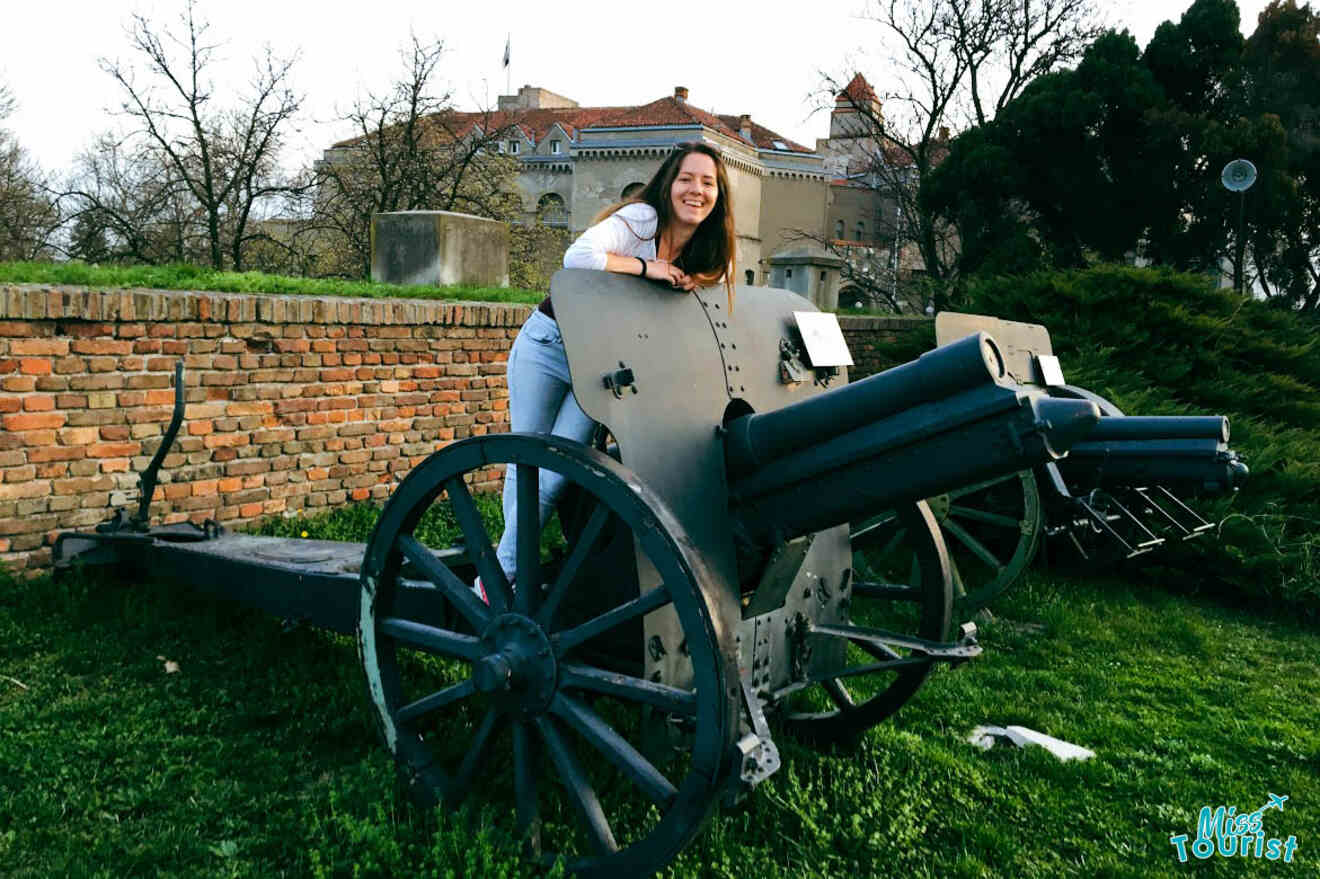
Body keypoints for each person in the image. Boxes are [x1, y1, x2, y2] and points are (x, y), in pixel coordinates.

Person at [479, 141, 737, 599]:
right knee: (527, 463)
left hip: (599, 363)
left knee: (554, 474)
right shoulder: (642, 220)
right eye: (686, 179)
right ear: (669, 184)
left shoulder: (707, 250)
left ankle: (500, 574)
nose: (696, 190)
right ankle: (504, 576)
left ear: (719, 194)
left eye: (707, 182)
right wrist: (646, 267)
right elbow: (577, 259)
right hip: (549, 343)